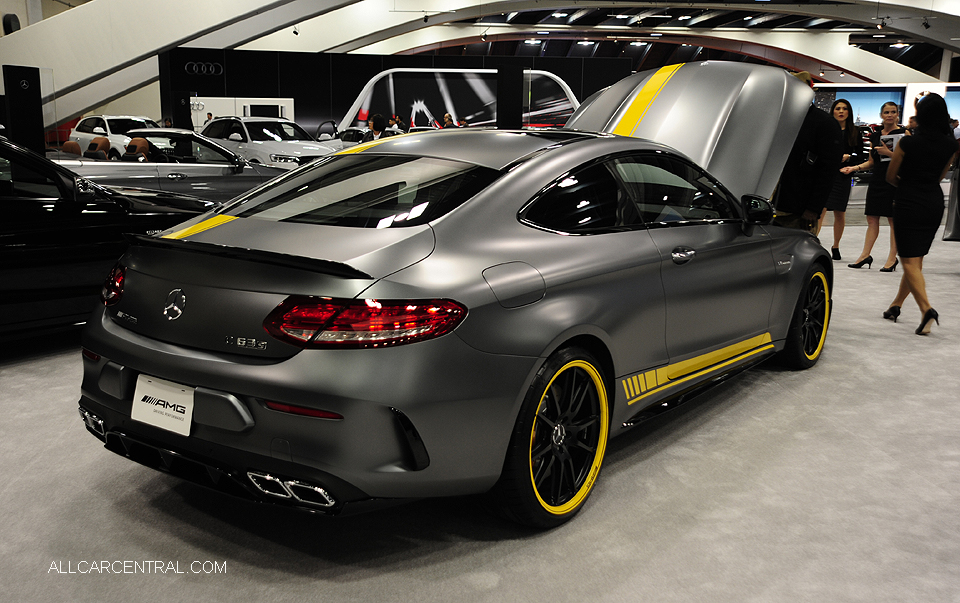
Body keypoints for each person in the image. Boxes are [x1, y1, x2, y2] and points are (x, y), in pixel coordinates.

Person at [882, 93, 959, 335]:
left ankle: (927, 310)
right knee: (916, 260)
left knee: (908, 260)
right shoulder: (951, 145)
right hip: (933, 202)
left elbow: (891, 177)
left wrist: (908, 185)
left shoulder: (907, 143)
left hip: (908, 202)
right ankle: (896, 305)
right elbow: (939, 177)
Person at [772, 72, 842, 234]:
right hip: (774, 206)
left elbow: (828, 170)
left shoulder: (824, 123)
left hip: (799, 209)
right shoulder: (780, 119)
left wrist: (813, 208)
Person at [847, 102, 904, 271]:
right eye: (886, 112)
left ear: (897, 114)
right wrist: (855, 168)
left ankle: (892, 258)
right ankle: (865, 255)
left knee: (893, 220)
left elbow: (908, 160)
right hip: (878, 179)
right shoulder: (875, 135)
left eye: (893, 112)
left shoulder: (904, 134)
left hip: (894, 179)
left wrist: (889, 154)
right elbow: (871, 162)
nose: (890, 115)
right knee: (872, 219)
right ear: (881, 115)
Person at [821, 98, 863, 259]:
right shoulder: (827, 129)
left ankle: (836, 246)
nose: (841, 111)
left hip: (844, 175)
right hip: (826, 174)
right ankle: (815, 242)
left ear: (849, 112)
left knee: (840, 213)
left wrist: (849, 158)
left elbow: (860, 155)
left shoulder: (855, 132)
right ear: (833, 111)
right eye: (838, 108)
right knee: (820, 210)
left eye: (844, 108)